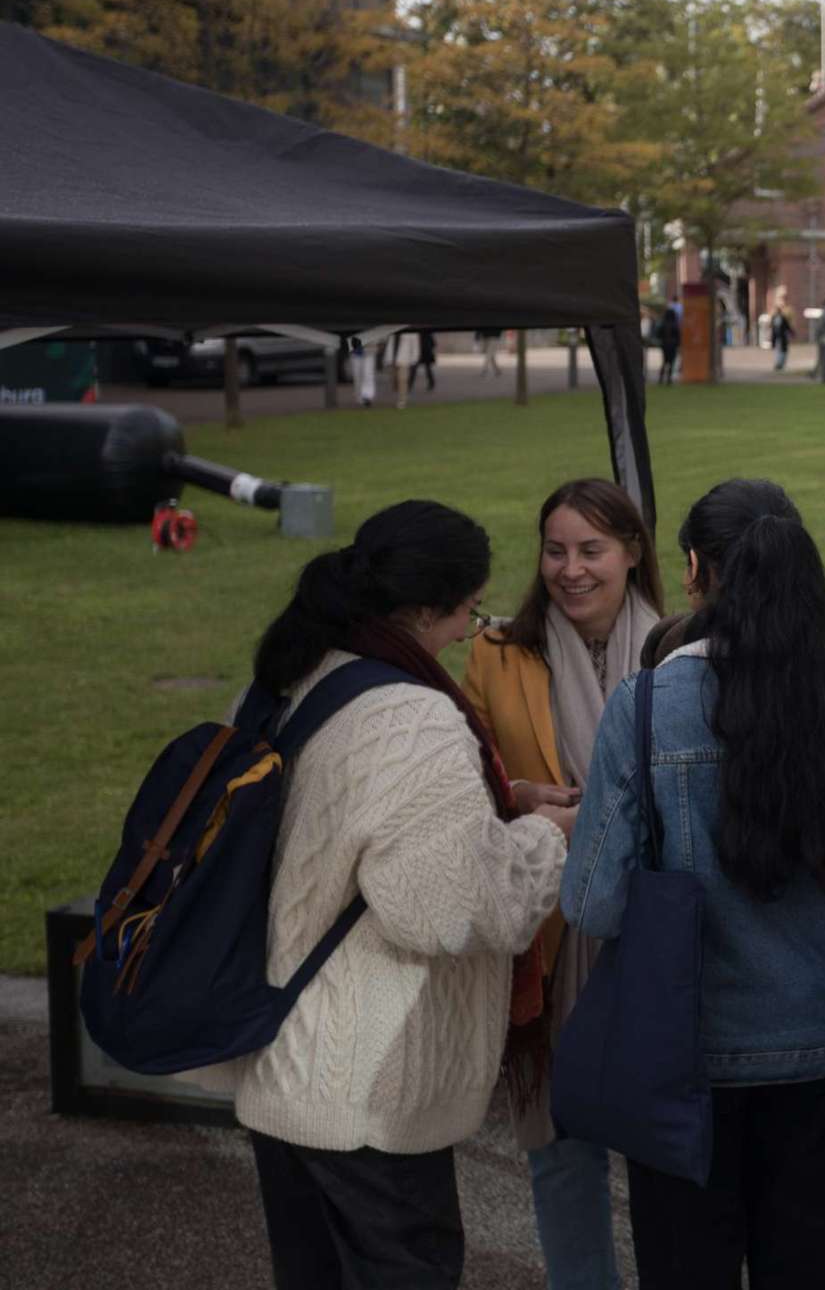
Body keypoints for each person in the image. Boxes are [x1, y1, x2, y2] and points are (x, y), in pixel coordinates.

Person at [562, 478, 825, 1288]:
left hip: (682, 1059)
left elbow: (591, 902)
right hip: (822, 1054)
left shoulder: (648, 703)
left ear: (694, 570)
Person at [210, 500, 575, 1289]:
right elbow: (448, 906)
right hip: (365, 1081)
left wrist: (501, 799)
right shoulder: (413, 717)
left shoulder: (295, 675)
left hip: (286, 1060)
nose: (470, 633)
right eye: (470, 612)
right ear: (428, 608)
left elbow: (350, 824)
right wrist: (547, 841)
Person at [464, 479, 667, 1290]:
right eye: (556, 550)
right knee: (559, 1154)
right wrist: (524, 801)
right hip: (547, 940)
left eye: (592, 550)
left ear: (631, 555)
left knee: (665, 1153)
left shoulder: (678, 651)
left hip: (651, 935)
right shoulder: (497, 653)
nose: (571, 570)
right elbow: (472, 784)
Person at [655, 302, 682, 387]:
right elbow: (678, 337)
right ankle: (669, 379)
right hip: (673, 345)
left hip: (664, 345)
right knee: (671, 362)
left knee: (664, 362)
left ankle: (661, 379)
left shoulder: (663, 324)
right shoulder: (675, 325)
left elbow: (658, 334)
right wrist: (678, 344)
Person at [770, 299, 795, 372]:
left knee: (782, 351)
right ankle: (779, 364)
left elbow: (787, 327)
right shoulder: (776, 318)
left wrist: (792, 333)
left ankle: (780, 364)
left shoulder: (780, 318)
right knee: (780, 351)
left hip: (781, 337)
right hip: (779, 337)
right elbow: (786, 327)